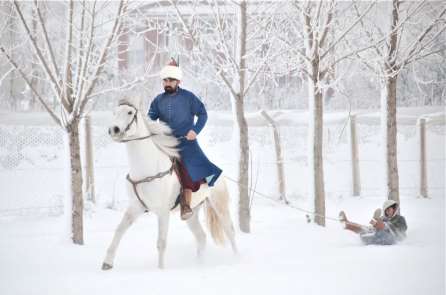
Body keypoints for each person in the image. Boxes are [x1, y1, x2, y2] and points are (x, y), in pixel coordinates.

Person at [148, 58, 222, 220]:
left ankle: (186, 205)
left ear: (178, 81)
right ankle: (147, 198)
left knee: (187, 171)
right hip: (165, 143)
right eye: (165, 80)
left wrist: (195, 131)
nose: (167, 83)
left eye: (171, 80)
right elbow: (150, 119)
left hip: (186, 144)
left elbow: (202, 114)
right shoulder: (157, 100)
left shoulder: (189, 97)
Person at [339, 200, 407, 245]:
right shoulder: (384, 219)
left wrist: (384, 226)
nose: (387, 212)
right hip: (381, 236)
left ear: (394, 209)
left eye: (389, 210)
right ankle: (347, 224)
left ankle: (376, 221)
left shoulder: (400, 218)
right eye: (386, 211)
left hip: (393, 239)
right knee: (366, 229)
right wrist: (374, 225)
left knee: (384, 226)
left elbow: (402, 229)